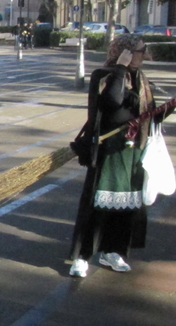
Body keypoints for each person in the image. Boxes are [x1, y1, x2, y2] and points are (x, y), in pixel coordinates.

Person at [68, 34, 173, 277]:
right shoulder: (104, 76)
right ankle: (82, 257)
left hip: (132, 154)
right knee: (96, 208)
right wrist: (120, 67)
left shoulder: (141, 79)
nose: (143, 55)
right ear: (125, 52)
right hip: (107, 154)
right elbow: (112, 103)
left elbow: (150, 115)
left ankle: (112, 252)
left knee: (127, 209)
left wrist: (170, 107)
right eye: (139, 50)